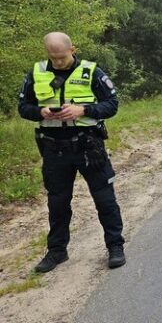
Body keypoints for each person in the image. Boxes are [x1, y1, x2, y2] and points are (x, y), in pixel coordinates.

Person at [18, 32, 126, 272]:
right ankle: (57, 251)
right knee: (57, 203)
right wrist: (41, 112)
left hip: (89, 146)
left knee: (105, 199)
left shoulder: (91, 71)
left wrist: (83, 110)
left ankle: (115, 246)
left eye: (62, 57)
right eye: (53, 57)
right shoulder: (36, 73)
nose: (58, 62)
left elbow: (112, 105)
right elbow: (23, 108)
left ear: (72, 49)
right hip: (53, 148)